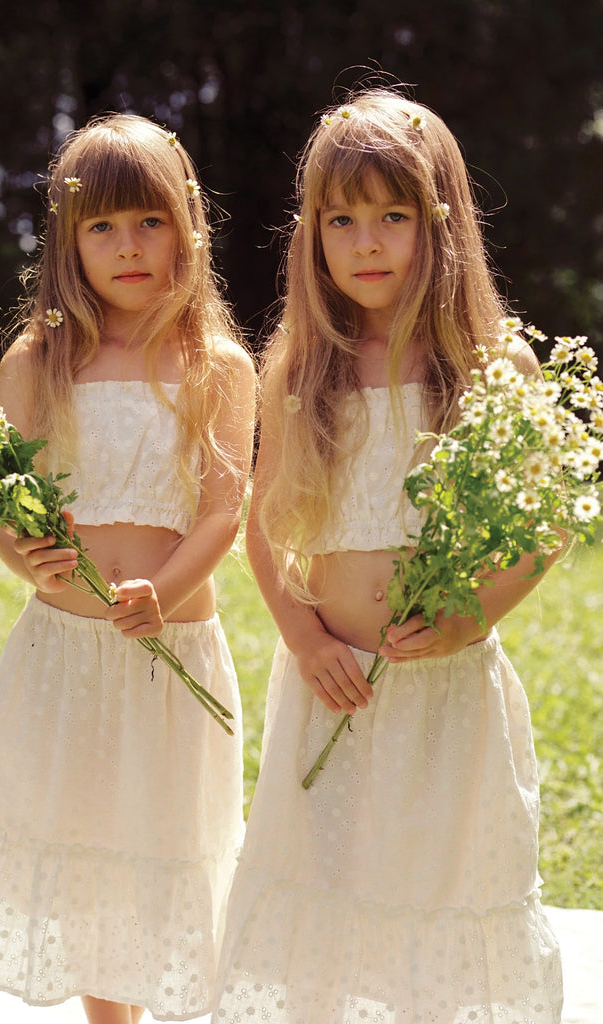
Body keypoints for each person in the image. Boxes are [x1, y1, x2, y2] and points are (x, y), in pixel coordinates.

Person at [212, 89, 563, 1024]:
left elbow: (548, 525)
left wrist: (472, 614)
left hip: (443, 687)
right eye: (342, 219)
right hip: (333, 685)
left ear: (442, 222)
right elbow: (262, 518)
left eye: (394, 216)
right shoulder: (302, 369)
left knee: (436, 885)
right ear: (312, 235)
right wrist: (299, 633)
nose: (367, 242)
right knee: (326, 892)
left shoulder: (493, 367)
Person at [0, 113, 256, 1024]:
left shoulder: (217, 367)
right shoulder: (39, 364)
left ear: (189, 227)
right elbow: (2, 508)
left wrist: (169, 589)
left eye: (149, 222)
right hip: (66, 655)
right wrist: (27, 561)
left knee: (157, 845)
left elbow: (222, 512)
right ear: (69, 243)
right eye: (102, 227)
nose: (128, 247)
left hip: (174, 648)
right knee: (83, 846)